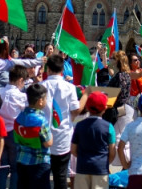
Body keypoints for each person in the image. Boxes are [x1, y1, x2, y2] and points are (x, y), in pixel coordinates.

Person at [42, 54, 84, 189]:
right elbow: (75, 110)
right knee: (60, 177)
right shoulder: (69, 87)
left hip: (44, 137)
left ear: (48, 69)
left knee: (43, 176)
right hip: (63, 137)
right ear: (62, 70)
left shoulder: (41, 86)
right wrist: (86, 97)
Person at [71, 92, 116, 189]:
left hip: (82, 167)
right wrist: (105, 162)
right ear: (105, 108)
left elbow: (73, 149)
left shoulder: (79, 125)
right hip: (101, 168)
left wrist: (83, 157)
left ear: (87, 107)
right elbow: (112, 152)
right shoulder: (109, 127)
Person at [15, 83, 53, 189]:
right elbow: (48, 143)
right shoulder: (41, 120)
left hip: (22, 160)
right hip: (39, 162)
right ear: (40, 101)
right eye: (45, 98)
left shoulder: (20, 116)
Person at [0, 65, 29, 189]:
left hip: (0, 132)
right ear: (20, 80)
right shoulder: (21, 96)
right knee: (15, 168)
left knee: (2, 166)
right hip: (14, 133)